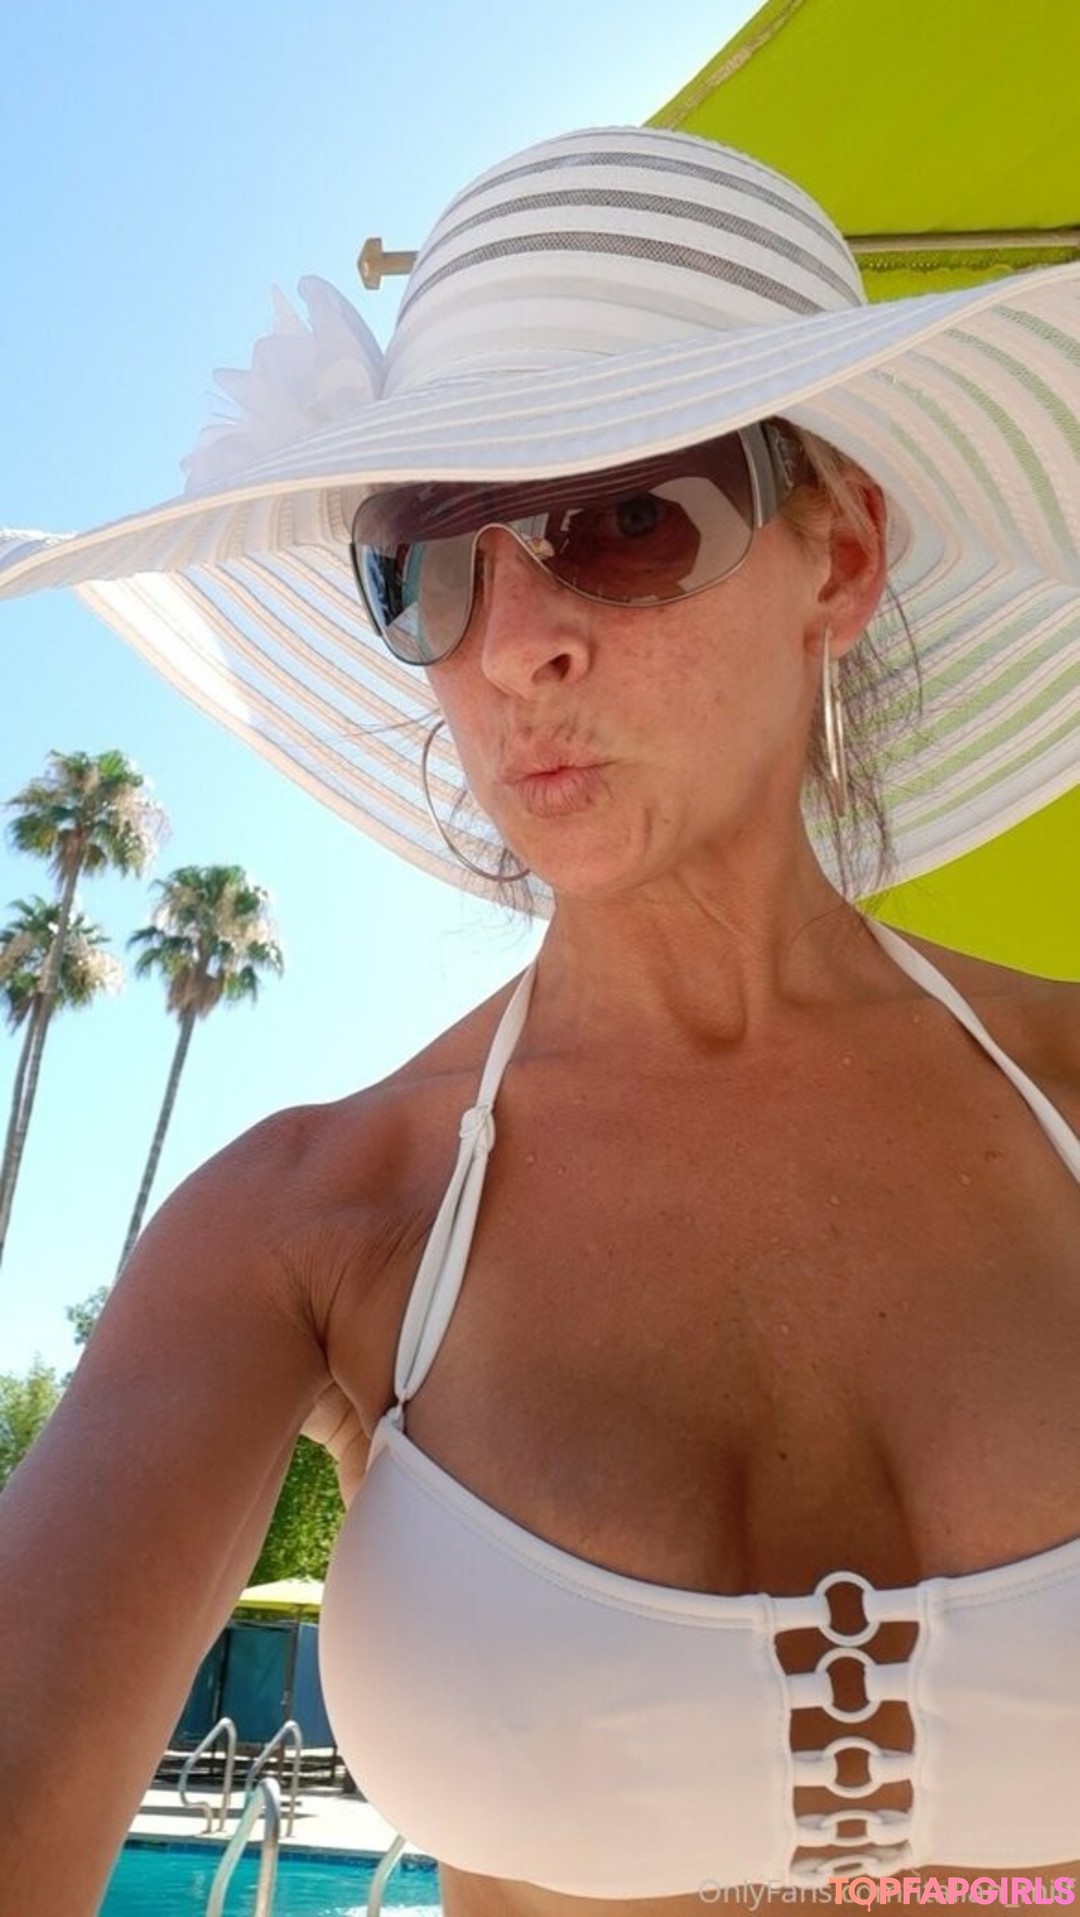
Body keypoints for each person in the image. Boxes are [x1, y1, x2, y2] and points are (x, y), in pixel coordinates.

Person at [0, 126, 1078, 1917]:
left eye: (623, 519)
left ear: (840, 557)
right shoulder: (313, 1225)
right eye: (427, 563)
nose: (511, 648)